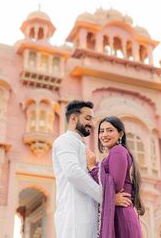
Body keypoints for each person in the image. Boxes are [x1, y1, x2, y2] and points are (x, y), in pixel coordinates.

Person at [52, 101, 132, 238]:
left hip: (89, 217)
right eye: (88, 118)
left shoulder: (81, 145)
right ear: (73, 118)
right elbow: (73, 173)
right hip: (74, 216)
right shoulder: (64, 141)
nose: (92, 124)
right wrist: (108, 197)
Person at [86, 116, 145, 238]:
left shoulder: (118, 151)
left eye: (109, 130)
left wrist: (92, 168)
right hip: (118, 214)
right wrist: (111, 199)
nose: (104, 134)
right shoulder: (113, 154)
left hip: (121, 216)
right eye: (101, 131)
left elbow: (115, 185)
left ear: (120, 134)